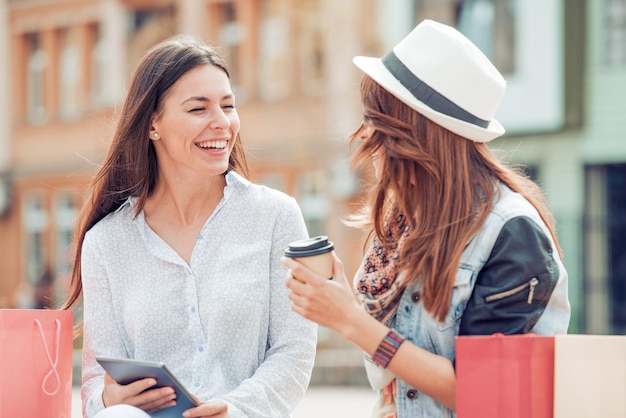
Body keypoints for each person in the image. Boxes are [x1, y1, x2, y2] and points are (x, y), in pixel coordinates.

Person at [281, 19, 570, 417]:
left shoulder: (511, 231)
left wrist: (350, 321)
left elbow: (491, 396)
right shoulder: (406, 222)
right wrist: (341, 298)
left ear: (413, 134)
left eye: (375, 120)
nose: (364, 136)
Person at [62, 34, 317, 418]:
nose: (222, 123)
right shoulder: (106, 242)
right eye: (198, 109)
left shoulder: (275, 217)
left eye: (228, 106)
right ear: (153, 124)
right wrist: (111, 399)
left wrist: (233, 409)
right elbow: (97, 384)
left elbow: (293, 351)